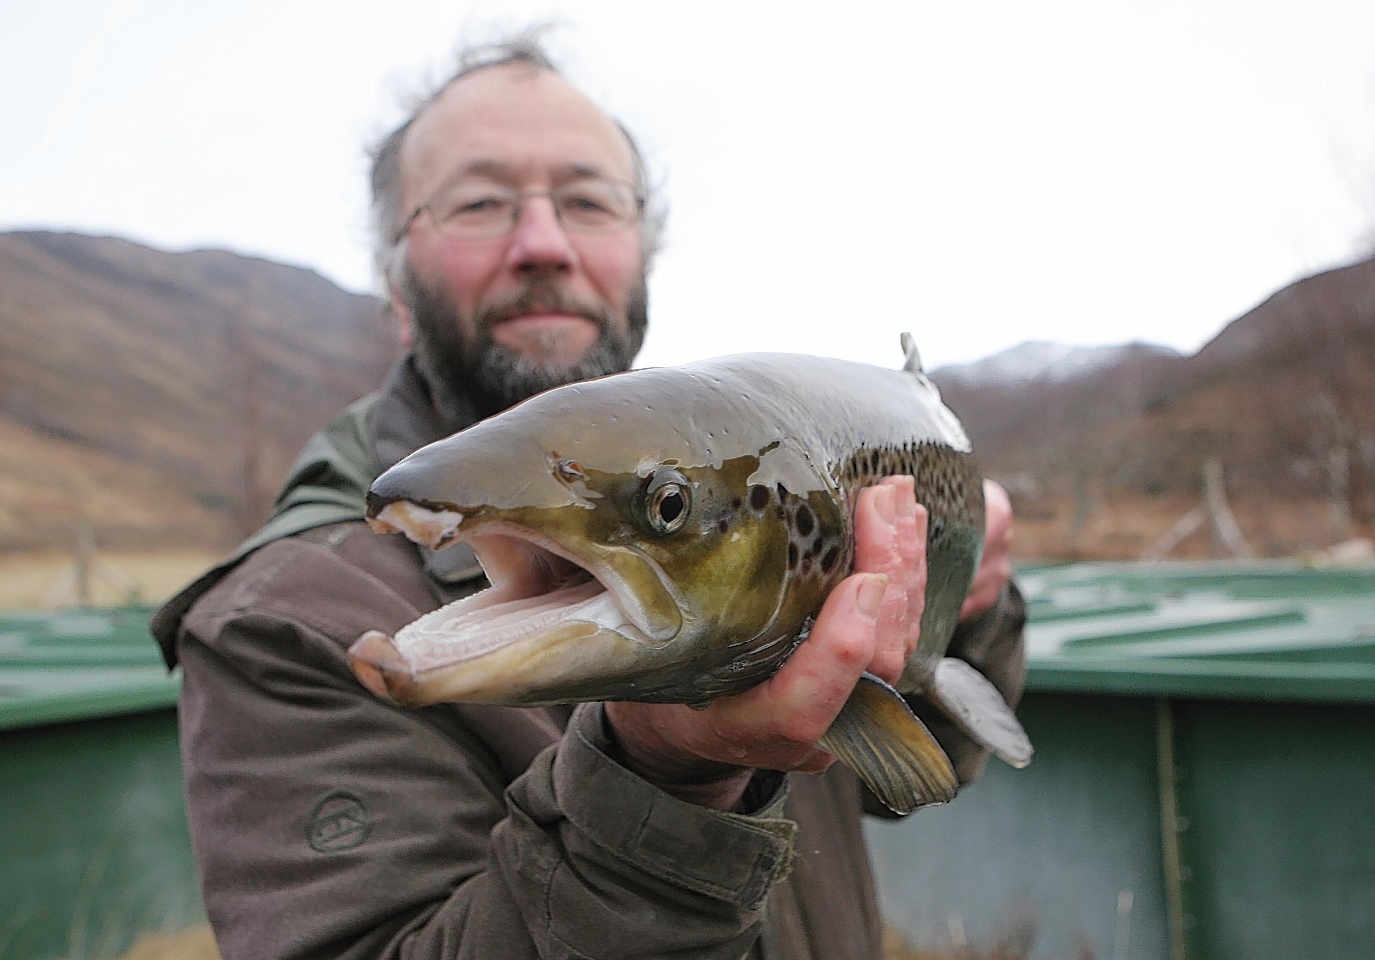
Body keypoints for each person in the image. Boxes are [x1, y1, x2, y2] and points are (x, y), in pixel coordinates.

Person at [152, 33, 1026, 960]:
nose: (543, 242)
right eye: (479, 202)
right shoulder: (279, 626)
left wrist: (966, 612)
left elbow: (911, 776)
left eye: (587, 200)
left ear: (640, 248)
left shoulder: (755, 472)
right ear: (395, 277)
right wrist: (666, 773)